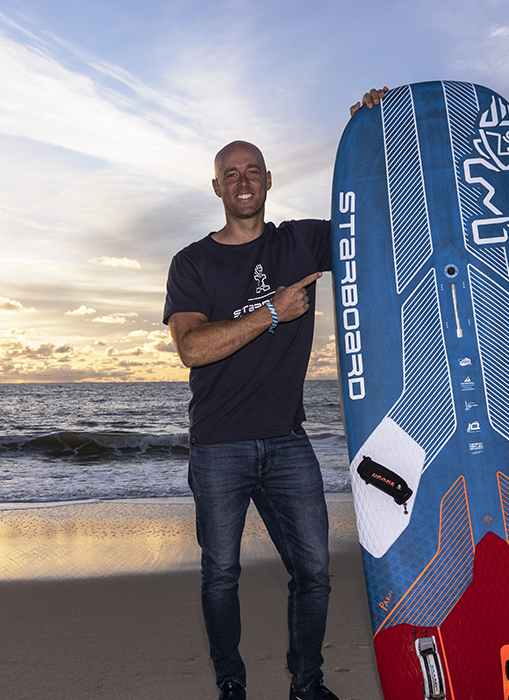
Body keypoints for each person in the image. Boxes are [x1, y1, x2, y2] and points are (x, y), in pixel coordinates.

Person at [162, 88, 387, 700]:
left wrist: (372, 132)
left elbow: (374, 217)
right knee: (221, 574)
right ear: (216, 187)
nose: (242, 181)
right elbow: (192, 348)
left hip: (287, 441)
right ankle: (231, 686)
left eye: (252, 171)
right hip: (218, 447)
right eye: (229, 173)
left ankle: (305, 684)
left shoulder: (300, 243)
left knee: (314, 571)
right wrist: (273, 312)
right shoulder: (192, 263)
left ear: (268, 180)